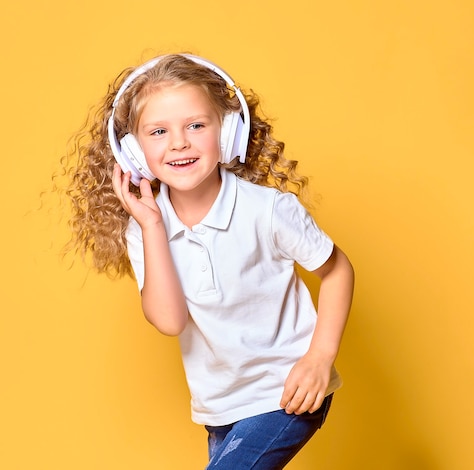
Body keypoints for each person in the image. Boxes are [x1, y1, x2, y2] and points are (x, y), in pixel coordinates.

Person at [59, 52, 354, 469]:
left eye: (196, 125)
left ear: (228, 131)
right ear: (134, 155)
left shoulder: (267, 210)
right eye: (158, 131)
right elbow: (169, 321)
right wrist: (152, 226)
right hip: (219, 406)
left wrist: (320, 358)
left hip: (286, 392)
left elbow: (336, 268)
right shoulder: (144, 228)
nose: (179, 142)